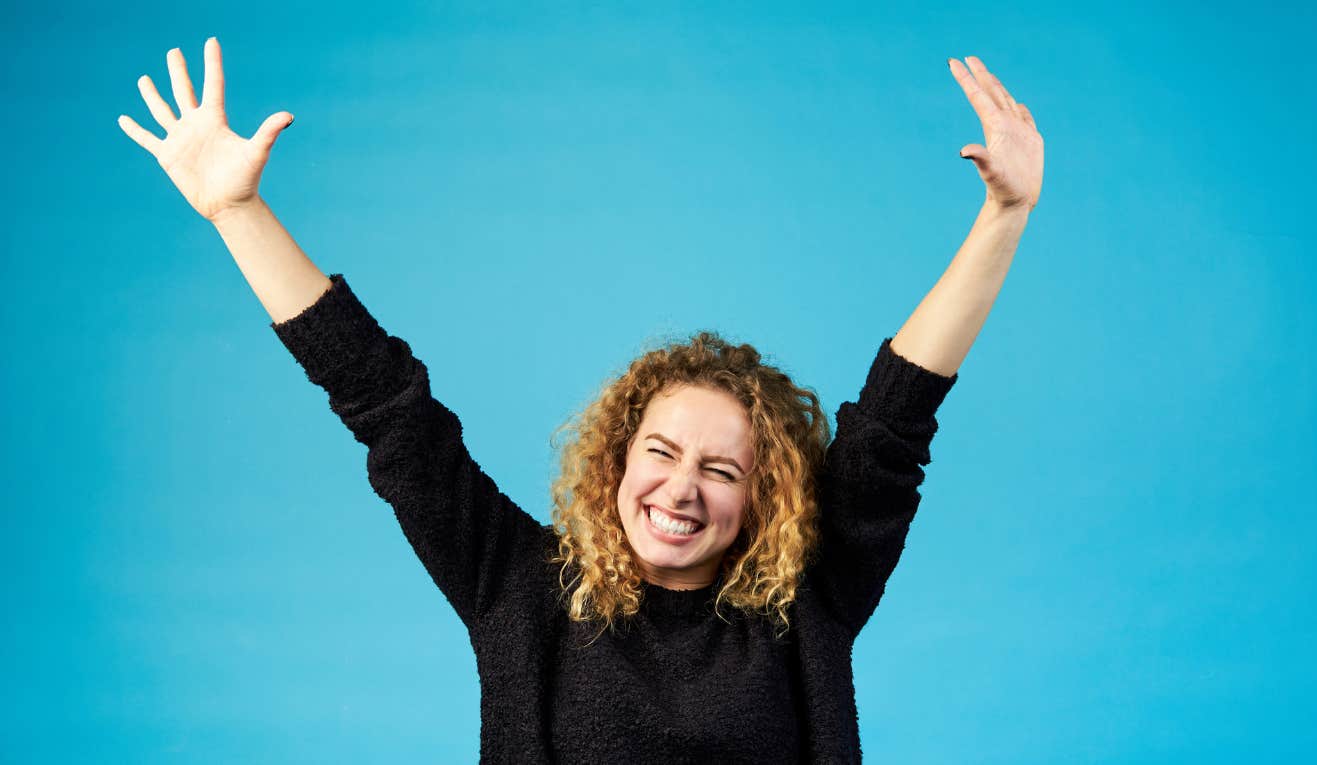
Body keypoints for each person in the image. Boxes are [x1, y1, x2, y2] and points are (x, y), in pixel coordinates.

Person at [119, 38, 1043, 763]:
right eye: (664, 452)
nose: (682, 489)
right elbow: (383, 403)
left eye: (722, 469)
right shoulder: (518, 587)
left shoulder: (810, 602)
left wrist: (1003, 215)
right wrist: (240, 213)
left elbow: (893, 421)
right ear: (617, 458)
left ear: (765, 500)